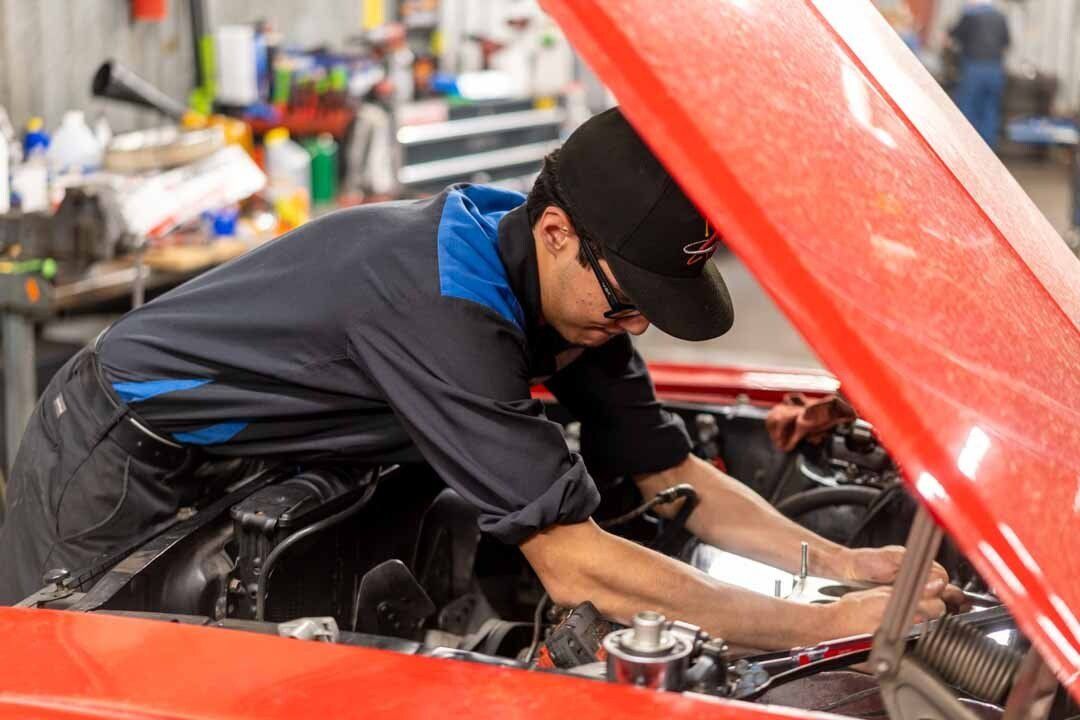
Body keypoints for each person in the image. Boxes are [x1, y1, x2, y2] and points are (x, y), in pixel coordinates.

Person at [0, 108, 956, 648]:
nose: (632, 328)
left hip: (252, 447)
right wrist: (815, 628)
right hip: (120, 448)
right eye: (629, 302)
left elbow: (672, 475)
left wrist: (839, 567)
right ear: (557, 233)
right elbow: (576, 565)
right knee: (71, 664)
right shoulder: (445, 306)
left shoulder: (561, 280)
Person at [949, 0, 1011, 149]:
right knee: (990, 109)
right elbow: (1007, 42)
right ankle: (987, 149)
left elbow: (954, 35)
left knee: (968, 106)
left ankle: (966, 146)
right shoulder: (1000, 17)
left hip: (974, 67)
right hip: (995, 68)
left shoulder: (970, 15)